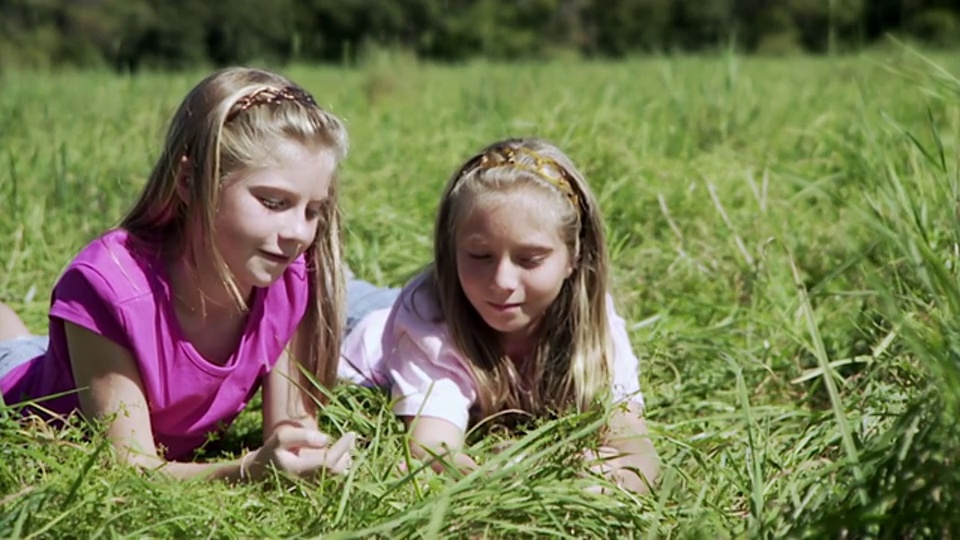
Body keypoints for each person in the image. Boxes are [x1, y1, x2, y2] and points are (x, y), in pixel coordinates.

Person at [0, 67, 389, 482]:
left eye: (313, 211)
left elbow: (291, 428)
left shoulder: (288, 277)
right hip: (19, 399)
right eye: (273, 202)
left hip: (75, 359)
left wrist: (311, 457)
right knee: (17, 352)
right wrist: (244, 471)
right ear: (189, 181)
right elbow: (128, 469)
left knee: (24, 343)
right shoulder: (107, 287)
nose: (298, 233)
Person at [341, 137, 660, 493]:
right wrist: (504, 476)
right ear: (452, 250)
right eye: (479, 255)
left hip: (445, 300)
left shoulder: (590, 321)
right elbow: (432, 446)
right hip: (368, 332)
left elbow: (637, 450)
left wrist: (610, 483)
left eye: (530, 259)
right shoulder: (427, 322)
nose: (502, 282)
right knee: (332, 290)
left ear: (573, 256)